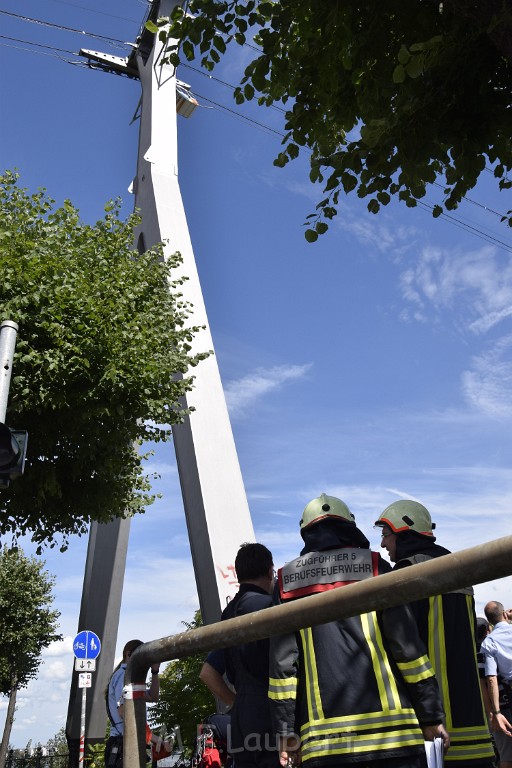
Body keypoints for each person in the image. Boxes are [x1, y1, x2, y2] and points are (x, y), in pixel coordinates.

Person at [269, 493, 449, 768]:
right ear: (349, 527)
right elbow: (408, 651)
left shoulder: (286, 583)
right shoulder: (376, 567)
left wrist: (285, 735)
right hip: (394, 741)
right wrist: (431, 716)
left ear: (306, 532)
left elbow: (283, 670)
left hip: (326, 746)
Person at [375, 500, 495, 767]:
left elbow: (401, 646)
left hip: (434, 724)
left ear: (403, 530)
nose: (383, 545)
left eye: (385, 535)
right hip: (472, 721)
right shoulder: (457, 568)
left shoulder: (407, 574)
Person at [221, 542, 279, 768]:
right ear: (269, 571)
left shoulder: (228, 612)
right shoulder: (270, 606)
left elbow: (210, 671)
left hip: (240, 718)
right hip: (270, 711)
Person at [105, 639, 162, 768]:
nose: (143, 664)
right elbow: (124, 711)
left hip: (125, 744)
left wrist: (155, 672)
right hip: (122, 744)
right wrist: (153, 738)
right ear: (128, 654)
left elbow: (153, 696)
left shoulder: (129, 676)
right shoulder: (124, 676)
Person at [481, 601, 512, 768]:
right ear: (505, 614)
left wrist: (496, 712)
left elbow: (491, 678)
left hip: (507, 701)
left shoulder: (489, 642)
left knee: (507, 757)